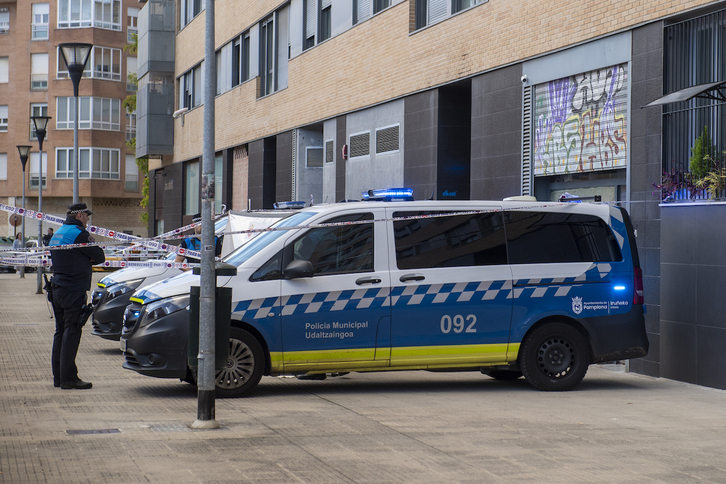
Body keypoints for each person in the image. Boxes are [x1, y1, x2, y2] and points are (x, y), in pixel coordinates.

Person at [48, 203, 105, 390]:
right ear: (80, 215)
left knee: (60, 332)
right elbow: (99, 256)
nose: (88, 219)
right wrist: (86, 257)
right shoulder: (79, 234)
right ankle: (69, 379)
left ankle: (58, 377)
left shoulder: (58, 233)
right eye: (87, 215)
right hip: (72, 291)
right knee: (71, 333)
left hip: (56, 289)